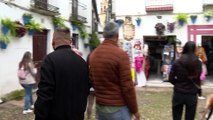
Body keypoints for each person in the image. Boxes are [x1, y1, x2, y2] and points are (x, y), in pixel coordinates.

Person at [34, 27, 90, 120]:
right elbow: (85, 91)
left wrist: (39, 115)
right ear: (70, 41)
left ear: (53, 41)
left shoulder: (49, 60)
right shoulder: (82, 62)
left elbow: (45, 94)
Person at [89, 22, 140, 120]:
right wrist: (135, 110)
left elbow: (92, 80)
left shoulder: (93, 54)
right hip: (118, 107)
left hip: (100, 106)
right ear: (117, 35)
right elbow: (127, 87)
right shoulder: (121, 55)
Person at [169, 41, 202, 120]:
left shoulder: (177, 62)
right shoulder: (198, 63)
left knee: (176, 115)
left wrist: (177, 84)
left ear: (184, 48)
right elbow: (198, 79)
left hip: (178, 93)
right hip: (192, 94)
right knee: (190, 117)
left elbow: (170, 78)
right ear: (194, 49)